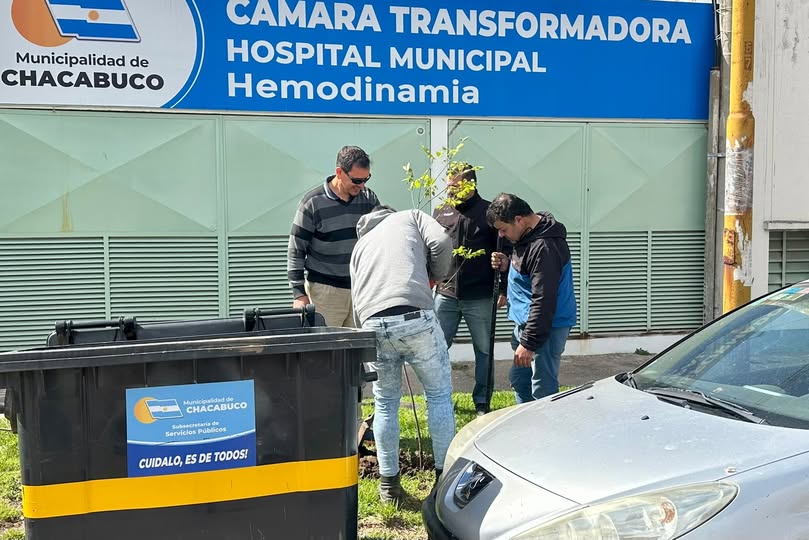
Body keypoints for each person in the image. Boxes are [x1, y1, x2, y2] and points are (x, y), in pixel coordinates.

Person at [350, 205, 456, 504]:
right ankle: (443, 483)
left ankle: (389, 488)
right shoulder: (410, 216)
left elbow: (358, 297)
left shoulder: (360, 246)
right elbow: (442, 241)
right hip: (415, 318)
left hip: (373, 324)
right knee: (437, 396)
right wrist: (435, 276)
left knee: (385, 403)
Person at [488, 193, 577, 403]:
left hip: (545, 327)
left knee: (542, 389)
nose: (501, 235)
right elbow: (531, 275)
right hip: (528, 324)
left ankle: (545, 433)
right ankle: (526, 427)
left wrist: (528, 343)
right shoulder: (528, 236)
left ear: (519, 219)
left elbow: (544, 299)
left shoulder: (545, 247)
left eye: (503, 229)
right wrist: (508, 265)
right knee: (520, 380)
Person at [432, 164, 506, 415]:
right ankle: (440, 399)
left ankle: (482, 402)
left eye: (457, 186)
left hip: (480, 296)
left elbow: (501, 254)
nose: (451, 190)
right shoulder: (441, 212)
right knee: (437, 350)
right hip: (446, 295)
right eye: (449, 185)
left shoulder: (488, 213)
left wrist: (503, 289)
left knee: (484, 351)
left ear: (471, 185)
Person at [286, 146, 378, 326]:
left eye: (366, 179)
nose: (362, 186)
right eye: (357, 180)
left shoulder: (368, 199)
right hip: (325, 292)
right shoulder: (312, 203)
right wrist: (299, 294)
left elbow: (378, 241)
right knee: (328, 348)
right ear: (339, 172)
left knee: (357, 348)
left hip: (361, 290)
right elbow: (296, 251)